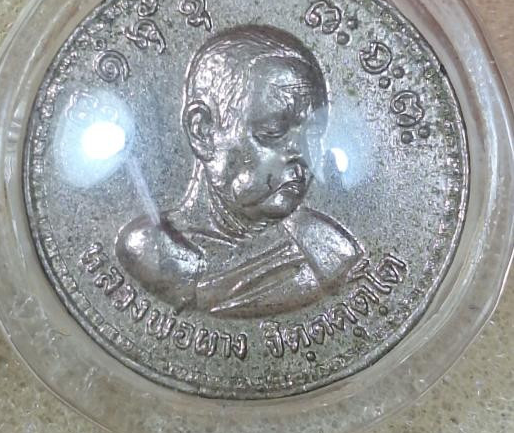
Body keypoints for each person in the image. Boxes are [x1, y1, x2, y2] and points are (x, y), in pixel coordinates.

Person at [116, 25, 360, 318]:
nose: (303, 153)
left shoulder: (329, 251)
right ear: (203, 132)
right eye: (273, 131)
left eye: (314, 134)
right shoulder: (152, 250)